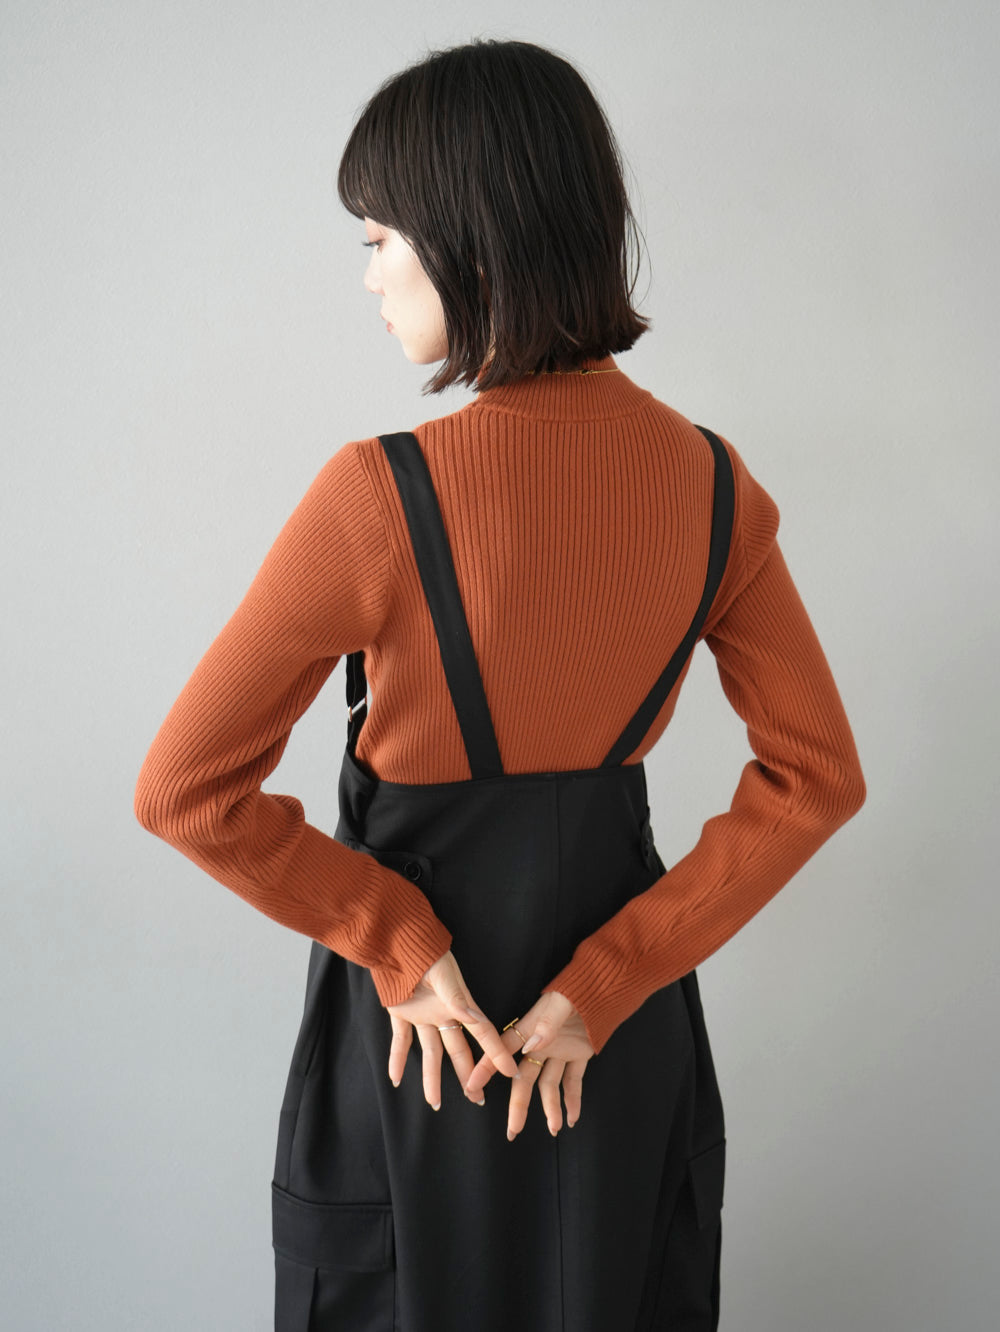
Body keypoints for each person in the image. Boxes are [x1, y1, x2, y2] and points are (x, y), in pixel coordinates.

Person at [134, 38, 865, 1332]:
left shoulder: (375, 498)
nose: (368, 274)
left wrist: (397, 943)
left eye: (379, 238)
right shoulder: (712, 487)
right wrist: (612, 977)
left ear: (471, 240)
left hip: (425, 1055)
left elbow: (183, 791)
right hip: (610, 1049)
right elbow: (819, 780)